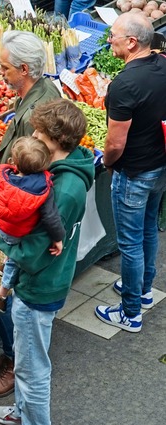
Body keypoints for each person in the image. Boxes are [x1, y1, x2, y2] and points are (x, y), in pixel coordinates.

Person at [0, 99, 93, 425]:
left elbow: (36, 253)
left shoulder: (63, 190)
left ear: (56, 139)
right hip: (39, 282)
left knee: (33, 368)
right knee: (25, 357)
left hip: (39, 287)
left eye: (40, 131)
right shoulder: (63, 173)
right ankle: (21, 412)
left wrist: (3, 237)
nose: (33, 134)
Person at [0, 30, 62, 400]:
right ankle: (12, 354)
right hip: (24, 214)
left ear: (25, 69)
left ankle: (15, 364)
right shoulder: (42, 93)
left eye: (6, 67)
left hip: (18, 223)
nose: (0, 73)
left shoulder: (34, 117)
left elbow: (31, 180)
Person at [95, 12, 166, 333]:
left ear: (131, 42)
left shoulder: (124, 84)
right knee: (149, 229)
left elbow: (115, 143)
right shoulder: (163, 64)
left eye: (113, 35)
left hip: (134, 173)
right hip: (159, 167)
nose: (109, 39)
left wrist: (108, 164)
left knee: (130, 243)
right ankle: (144, 290)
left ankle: (130, 312)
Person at [0, 137, 65, 314]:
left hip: (2, 226)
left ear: (14, 162)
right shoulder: (43, 189)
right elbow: (51, 218)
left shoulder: (1, 177)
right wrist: (58, 238)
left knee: (8, 245)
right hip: (20, 232)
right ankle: (1, 294)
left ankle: (4, 261)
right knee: (16, 260)